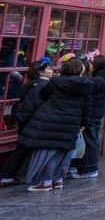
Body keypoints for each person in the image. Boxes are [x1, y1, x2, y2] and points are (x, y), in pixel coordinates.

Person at [19, 57, 92, 192]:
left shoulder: (56, 82)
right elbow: (88, 107)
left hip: (50, 120)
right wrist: (84, 123)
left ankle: (44, 181)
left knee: (47, 151)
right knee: (63, 152)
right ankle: (58, 180)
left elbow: (44, 94)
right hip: (71, 122)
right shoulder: (86, 85)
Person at [0, 59, 52, 186]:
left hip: (29, 121)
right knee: (23, 150)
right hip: (33, 122)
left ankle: (15, 174)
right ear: (40, 72)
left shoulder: (34, 85)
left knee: (24, 149)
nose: (51, 70)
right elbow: (31, 106)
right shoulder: (41, 86)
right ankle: (8, 175)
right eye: (48, 68)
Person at [70, 54, 105, 179]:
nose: (88, 66)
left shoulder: (98, 80)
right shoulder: (103, 78)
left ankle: (89, 168)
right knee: (92, 139)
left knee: (89, 140)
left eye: (90, 64)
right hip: (96, 113)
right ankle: (86, 166)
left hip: (91, 114)